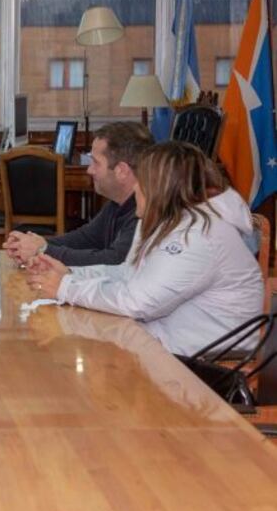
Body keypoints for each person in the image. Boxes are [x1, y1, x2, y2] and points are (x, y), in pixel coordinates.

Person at [27, 141, 262, 357]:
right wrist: (69, 274)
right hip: (167, 352)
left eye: (141, 181)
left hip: (206, 368)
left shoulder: (197, 236)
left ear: (160, 188)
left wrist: (66, 288)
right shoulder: (176, 224)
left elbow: (138, 302)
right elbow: (129, 274)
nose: (135, 189)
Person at [4, 121, 154, 266]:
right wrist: (37, 243)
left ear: (122, 170)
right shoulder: (117, 204)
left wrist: (43, 250)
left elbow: (114, 260)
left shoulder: (146, 211)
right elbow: (85, 238)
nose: (89, 170)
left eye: (95, 162)